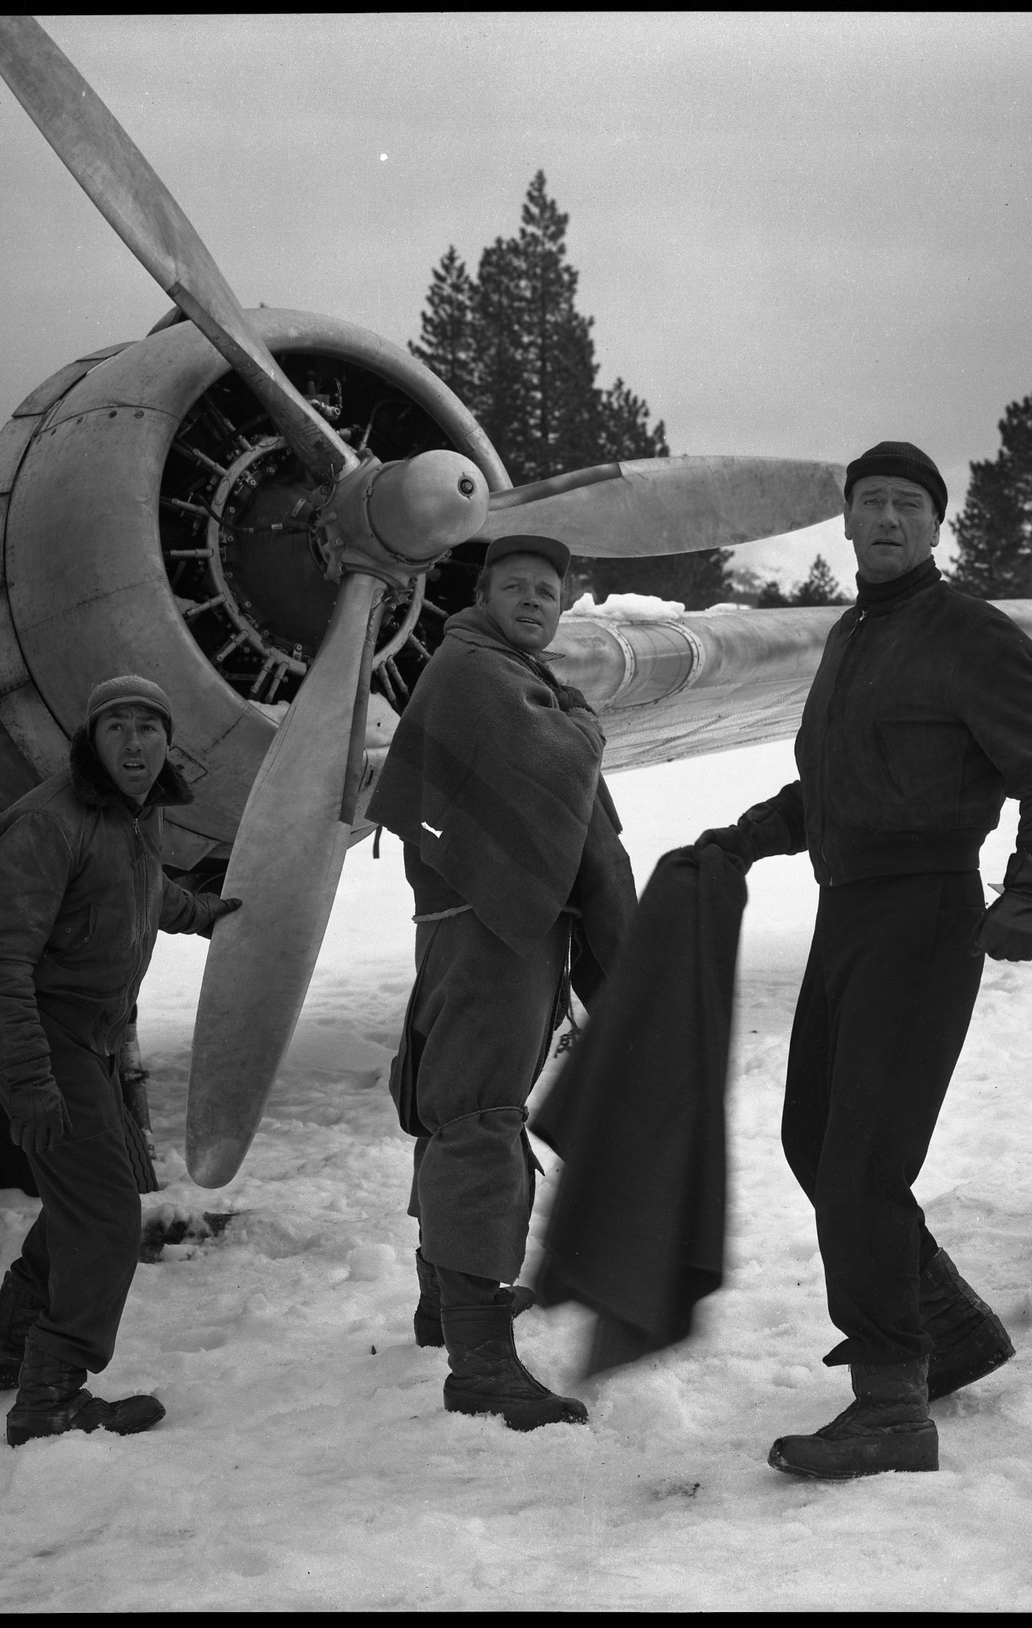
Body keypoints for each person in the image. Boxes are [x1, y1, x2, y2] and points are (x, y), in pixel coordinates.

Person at [697, 440, 1032, 1479]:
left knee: (862, 1162)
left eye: (906, 503)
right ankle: (947, 1327)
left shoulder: (967, 634)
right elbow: (834, 787)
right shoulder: (852, 634)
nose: (885, 517)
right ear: (844, 521)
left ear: (934, 523)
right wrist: (742, 838)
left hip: (925, 912)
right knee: (812, 1140)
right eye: (869, 500)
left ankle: (889, 1403)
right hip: (848, 909)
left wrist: (1026, 888)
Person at [367, 534, 636, 1433]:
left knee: (457, 1111)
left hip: (484, 928)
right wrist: (584, 727)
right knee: (480, 1121)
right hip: (490, 933)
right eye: (516, 587)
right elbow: (556, 762)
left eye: (548, 593)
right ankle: (481, 1365)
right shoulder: (478, 671)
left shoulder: (501, 672)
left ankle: (446, 1305)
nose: (533, 602)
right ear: (484, 596)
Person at [0, 675, 240, 1446]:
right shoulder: (48, 825)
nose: (135, 743)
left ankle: (8, 1354)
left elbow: (141, 894)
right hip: (45, 1042)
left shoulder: (127, 818)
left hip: (87, 1042)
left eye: (149, 728)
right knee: (109, 1216)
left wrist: (205, 915)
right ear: (90, 738)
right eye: (116, 726)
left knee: (84, 1199)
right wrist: (30, 1085)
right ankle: (50, 1394)